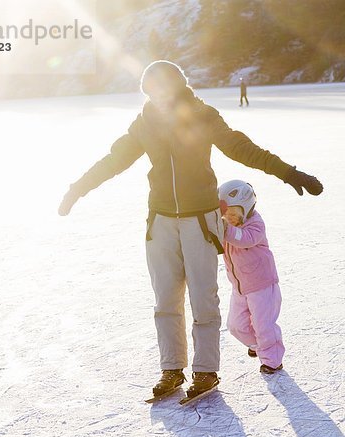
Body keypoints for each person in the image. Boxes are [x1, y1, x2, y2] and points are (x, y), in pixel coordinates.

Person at [58, 60, 323, 398]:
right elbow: (114, 160)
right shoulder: (144, 123)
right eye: (151, 89)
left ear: (178, 85)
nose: (158, 95)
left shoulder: (201, 114)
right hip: (161, 222)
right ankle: (171, 369)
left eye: (163, 87)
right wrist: (78, 187)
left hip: (201, 219)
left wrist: (288, 173)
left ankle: (206, 371)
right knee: (165, 299)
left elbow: (241, 147)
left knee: (203, 298)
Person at [218, 180, 284, 374]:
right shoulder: (228, 228)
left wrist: (225, 229)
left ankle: (272, 360)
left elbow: (245, 239)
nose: (228, 218)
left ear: (245, 209)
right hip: (239, 287)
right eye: (224, 214)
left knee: (264, 326)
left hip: (262, 285)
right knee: (235, 326)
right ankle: (258, 346)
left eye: (232, 214)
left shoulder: (255, 225)